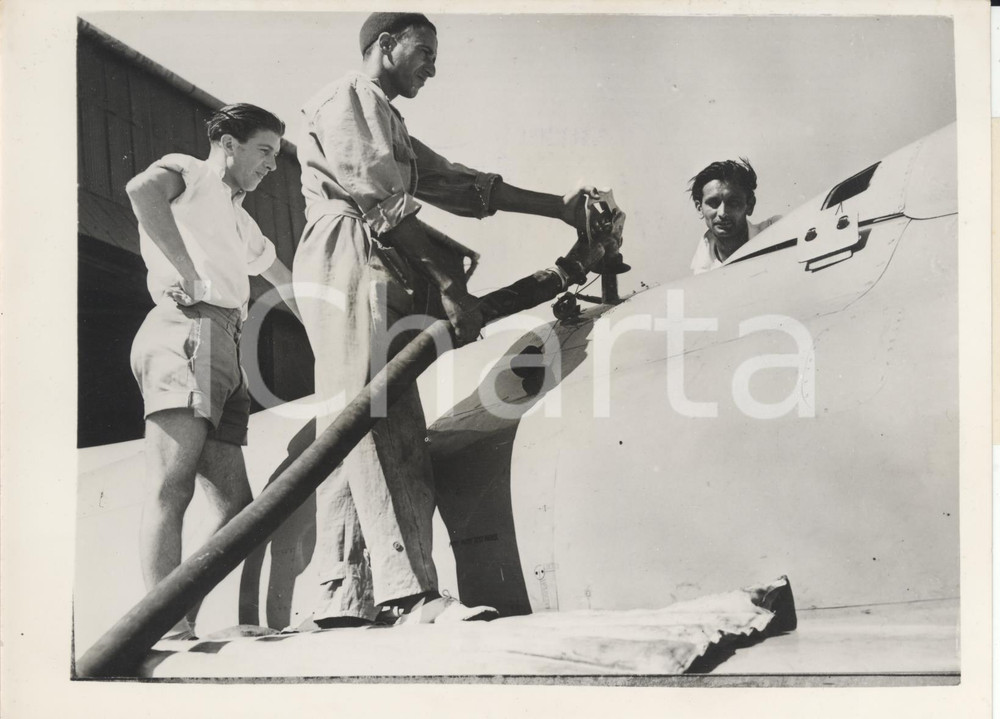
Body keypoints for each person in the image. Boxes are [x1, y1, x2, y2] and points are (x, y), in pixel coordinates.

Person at [292, 12, 598, 627]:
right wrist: (450, 285)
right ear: (385, 46)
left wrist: (558, 208)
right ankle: (412, 595)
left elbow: (462, 186)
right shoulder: (351, 96)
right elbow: (383, 200)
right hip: (350, 249)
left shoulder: (387, 117)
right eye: (423, 52)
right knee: (378, 412)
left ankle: (342, 595)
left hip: (374, 253)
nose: (433, 67)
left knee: (363, 412)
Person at [126, 103, 301, 640]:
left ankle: (179, 619)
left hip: (226, 344)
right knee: (172, 484)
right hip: (186, 327)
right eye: (263, 151)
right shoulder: (191, 171)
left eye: (276, 155)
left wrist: (338, 327)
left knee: (235, 508)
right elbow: (140, 191)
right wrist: (186, 271)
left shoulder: (242, 219)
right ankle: (166, 629)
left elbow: (284, 281)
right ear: (228, 142)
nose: (271, 165)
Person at [688, 158, 781, 274]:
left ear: (750, 205)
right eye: (713, 203)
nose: (722, 213)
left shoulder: (777, 233)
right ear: (699, 208)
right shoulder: (699, 271)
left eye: (733, 203)